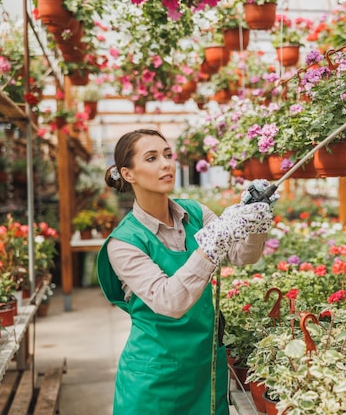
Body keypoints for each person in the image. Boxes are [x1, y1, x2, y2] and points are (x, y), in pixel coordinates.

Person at [96, 129, 277, 415]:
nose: (166, 164)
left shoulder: (195, 213)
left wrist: (254, 220)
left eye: (168, 155)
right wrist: (210, 244)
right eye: (152, 158)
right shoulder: (124, 243)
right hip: (154, 378)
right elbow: (171, 302)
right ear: (127, 173)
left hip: (204, 368)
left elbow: (243, 255)